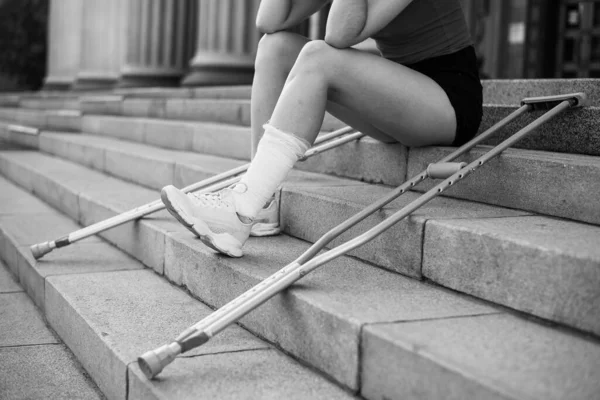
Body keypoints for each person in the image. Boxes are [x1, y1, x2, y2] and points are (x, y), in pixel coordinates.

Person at [161, 0, 483, 258]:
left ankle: (240, 210)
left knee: (319, 56)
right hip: (394, 102)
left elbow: (340, 34)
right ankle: (260, 203)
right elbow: (270, 20)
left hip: (445, 103)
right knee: (274, 46)